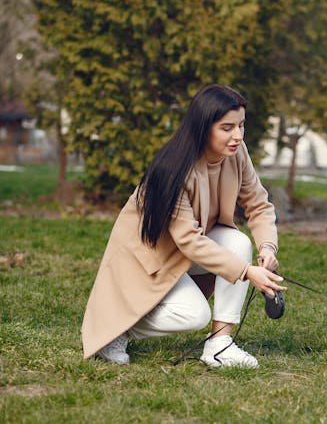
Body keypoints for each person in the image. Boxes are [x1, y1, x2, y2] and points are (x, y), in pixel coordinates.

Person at [81, 84, 285, 368]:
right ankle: (116, 328)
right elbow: (188, 239)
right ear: (204, 127)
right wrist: (247, 272)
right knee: (193, 316)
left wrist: (267, 246)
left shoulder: (236, 153)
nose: (237, 136)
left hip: (189, 250)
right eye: (227, 128)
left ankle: (220, 345)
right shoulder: (173, 169)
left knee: (238, 243)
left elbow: (258, 203)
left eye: (241, 125)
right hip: (152, 257)